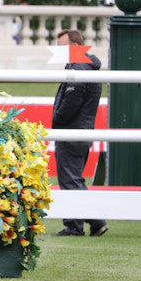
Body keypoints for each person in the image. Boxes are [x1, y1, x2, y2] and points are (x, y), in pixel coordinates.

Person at [52, 28, 108, 237]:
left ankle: (90, 222)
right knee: (73, 179)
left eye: (62, 47)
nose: (58, 51)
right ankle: (79, 224)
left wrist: (56, 119)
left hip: (72, 131)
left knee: (70, 180)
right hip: (81, 130)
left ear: (74, 46)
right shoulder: (85, 67)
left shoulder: (79, 68)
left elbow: (70, 104)